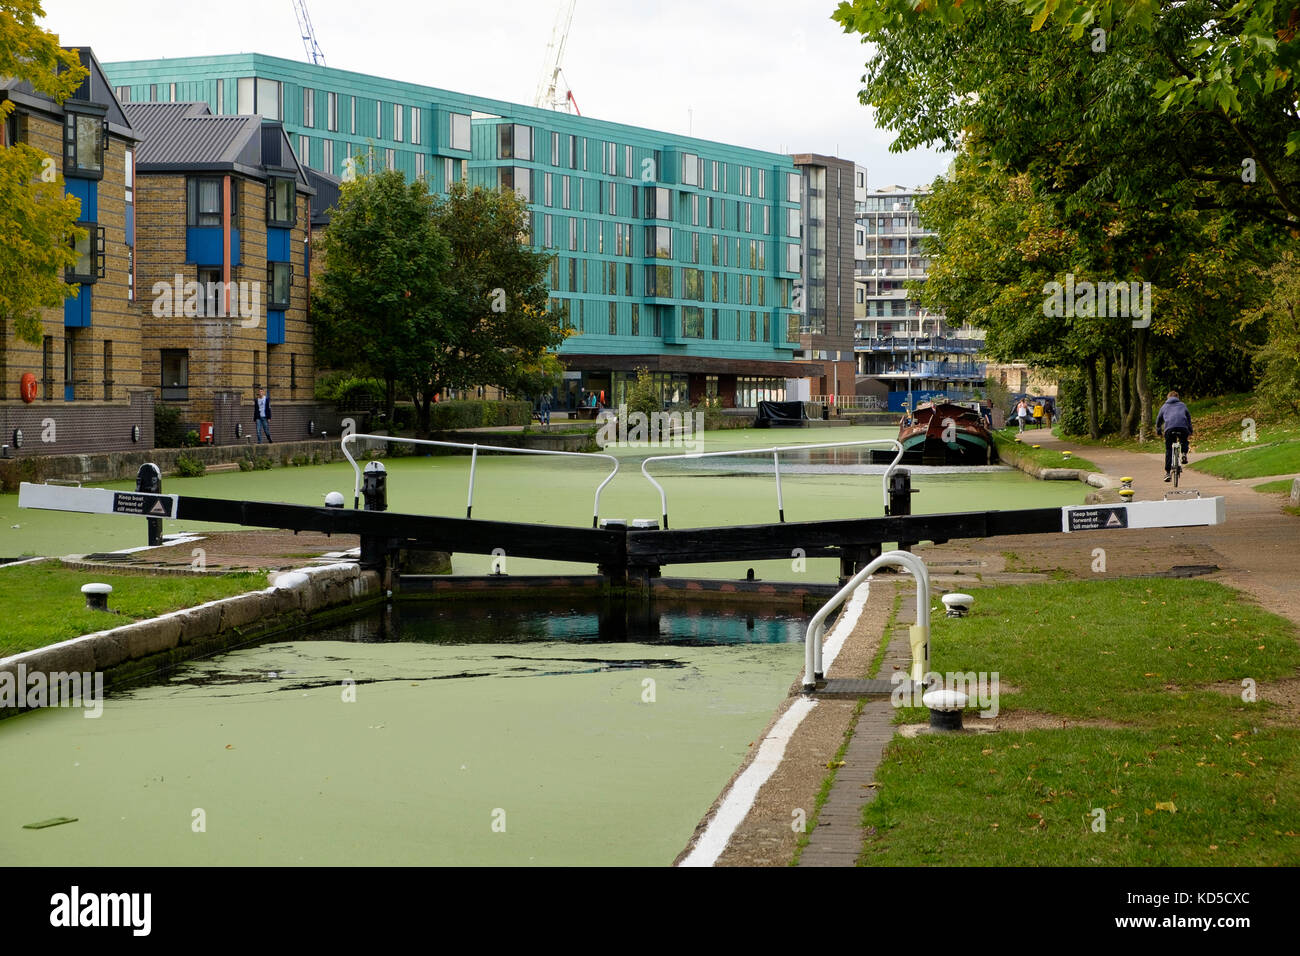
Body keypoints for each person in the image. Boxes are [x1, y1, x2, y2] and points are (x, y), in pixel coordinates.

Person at [1156, 390, 1193, 482]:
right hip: (1182, 427)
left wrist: (1158, 430)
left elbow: (1159, 420)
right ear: (1178, 398)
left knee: (1169, 449)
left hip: (1169, 429)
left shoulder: (1164, 406)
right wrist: (1190, 431)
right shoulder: (1182, 405)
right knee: (1184, 441)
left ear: (1168, 398)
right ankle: (1184, 453)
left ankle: (1168, 473)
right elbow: (1188, 419)